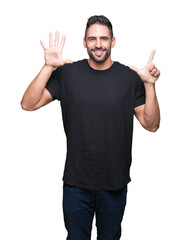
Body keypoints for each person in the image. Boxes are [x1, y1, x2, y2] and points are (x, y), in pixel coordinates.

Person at [21, 15, 160, 240]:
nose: (98, 44)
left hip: (114, 182)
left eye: (104, 39)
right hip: (77, 183)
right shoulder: (67, 73)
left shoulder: (129, 78)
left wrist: (150, 86)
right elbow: (28, 104)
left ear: (113, 42)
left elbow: (151, 124)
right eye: (92, 39)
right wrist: (48, 66)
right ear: (84, 42)